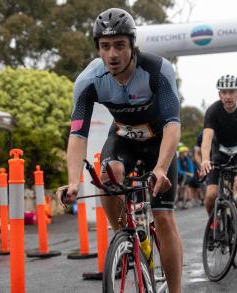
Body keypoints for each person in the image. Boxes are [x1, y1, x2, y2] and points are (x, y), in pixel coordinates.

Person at [57, 8, 182, 292]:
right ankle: (124, 240)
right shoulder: (88, 81)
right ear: (98, 48)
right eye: (105, 46)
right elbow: (77, 134)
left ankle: (175, 289)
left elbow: (174, 125)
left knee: (163, 216)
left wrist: (161, 167)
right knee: (108, 173)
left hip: (158, 141)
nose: (112, 54)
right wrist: (73, 181)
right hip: (123, 136)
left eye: (119, 45)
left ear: (132, 45)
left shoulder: (157, 70)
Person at [201, 74, 237, 244]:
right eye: (224, 92)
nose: (228, 96)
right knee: (211, 196)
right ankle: (214, 225)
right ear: (220, 95)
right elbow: (207, 139)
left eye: (231, 92)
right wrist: (205, 159)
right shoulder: (213, 110)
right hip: (220, 153)